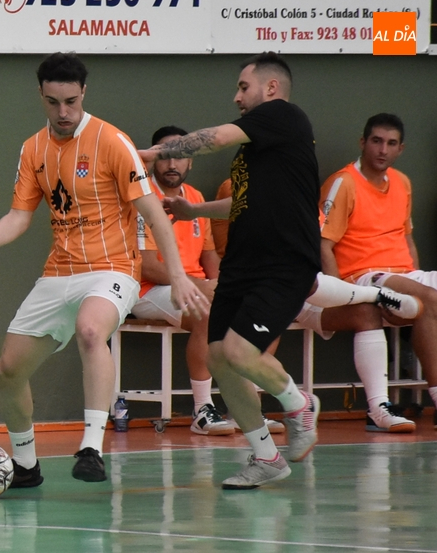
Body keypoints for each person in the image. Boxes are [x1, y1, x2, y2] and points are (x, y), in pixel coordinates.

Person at [0, 52, 208, 486]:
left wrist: (180, 274)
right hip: (58, 272)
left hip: (112, 267)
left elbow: (155, 213)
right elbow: (19, 216)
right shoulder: (33, 149)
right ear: (41, 95)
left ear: (83, 93)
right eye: (53, 102)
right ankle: (27, 466)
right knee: (8, 371)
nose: (63, 112)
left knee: (92, 330)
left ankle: (91, 446)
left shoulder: (112, 141)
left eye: (71, 101)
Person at [138, 52, 322, 490]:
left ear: (271, 88)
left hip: (283, 263)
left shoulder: (285, 117)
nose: (236, 96)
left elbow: (215, 137)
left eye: (243, 87)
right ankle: (266, 456)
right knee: (220, 359)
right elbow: (242, 201)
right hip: (242, 266)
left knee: (240, 351)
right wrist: (193, 210)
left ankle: (298, 406)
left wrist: (154, 152)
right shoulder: (257, 149)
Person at [216, 178, 420, 432]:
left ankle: (378, 407)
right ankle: (371, 294)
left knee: (353, 308)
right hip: (254, 286)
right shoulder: (237, 185)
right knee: (268, 309)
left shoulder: (297, 187)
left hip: (295, 289)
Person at [320, 112, 437, 428]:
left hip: (404, 274)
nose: (382, 150)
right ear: (363, 142)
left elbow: (406, 237)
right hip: (364, 276)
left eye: (391, 143)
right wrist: (338, 292)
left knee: (427, 295)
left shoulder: (403, 183)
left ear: (401, 149)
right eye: (376, 141)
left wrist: (414, 273)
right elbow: (324, 245)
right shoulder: (343, 183)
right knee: (427, 298)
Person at [132, 125, 234, 436]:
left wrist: (220, 285)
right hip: (150, 292)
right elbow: (147, 267)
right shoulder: (141, 198)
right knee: (205, 307)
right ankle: (202, 411)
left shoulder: (196, 199)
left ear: (191, 162)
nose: (172, 164)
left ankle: (244, 409)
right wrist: (199, 287)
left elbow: (210, 257)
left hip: (197, 288)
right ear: (151, 161)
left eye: (180, 156)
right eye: (165, 156)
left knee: (251, 307)